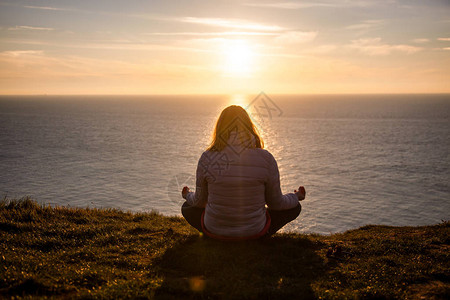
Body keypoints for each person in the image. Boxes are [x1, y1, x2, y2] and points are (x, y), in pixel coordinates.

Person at [181, 105, 305, 240]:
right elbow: (276, 204)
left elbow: (199, 202)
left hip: (214, 230)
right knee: (295, 207)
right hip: (254, 231)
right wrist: (296, 197)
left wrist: (187, 195)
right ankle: (260, 234)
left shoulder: (207, 157)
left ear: (220, 128)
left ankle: (216, 233)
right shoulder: (266, 158)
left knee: (187, 207)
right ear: (249, 126)